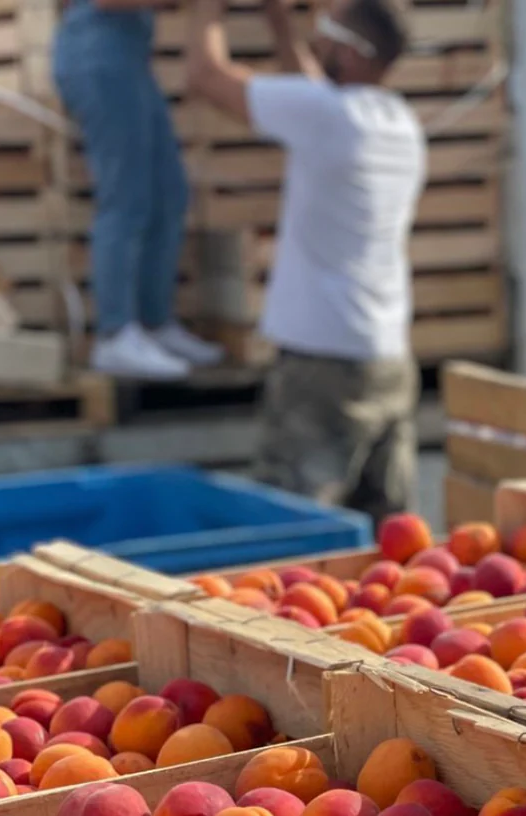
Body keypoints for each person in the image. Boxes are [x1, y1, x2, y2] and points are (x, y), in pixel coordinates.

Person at [189, 0, 427, 522]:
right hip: (386, 355)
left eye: (325, 35)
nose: (316, 43)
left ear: (348, 50)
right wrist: (278, 22)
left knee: (292, 525)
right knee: (390, 533)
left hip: (322, 361)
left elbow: (207, 76)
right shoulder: (397, 123)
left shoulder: (325, 116)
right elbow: (316, 87)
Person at [53, 0, 224, 379]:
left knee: (170, 193)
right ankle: (115, 335)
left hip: (128, 57)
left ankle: (154, 323)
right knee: (126, 197)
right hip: (99, 53)